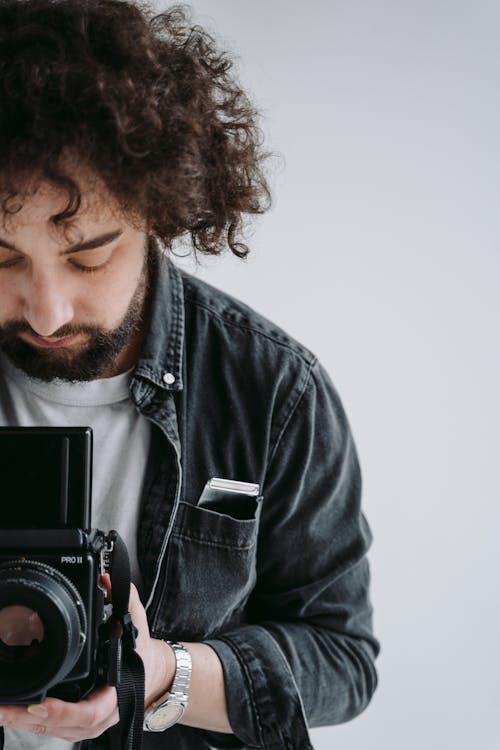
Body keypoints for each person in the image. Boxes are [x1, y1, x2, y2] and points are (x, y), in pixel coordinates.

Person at [0, 1, 379, 749]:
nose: (46, 310)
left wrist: (165, 677)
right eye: (1, 259)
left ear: (159, 208)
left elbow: (343, 661)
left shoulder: (272, 390)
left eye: (89, 255)